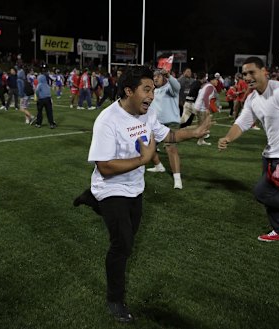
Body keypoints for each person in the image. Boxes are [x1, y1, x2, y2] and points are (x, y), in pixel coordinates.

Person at [73, 65, 210, 323]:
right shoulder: (107, 120)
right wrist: (142, 160)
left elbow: (167, 134)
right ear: (128, 91)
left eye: (153, 90)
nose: (151, 95)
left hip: (135, 188)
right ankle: (115, 299)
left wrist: (194, 132)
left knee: (129, 238)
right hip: (111, 187)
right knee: (122, 244)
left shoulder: (146, 115)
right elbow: (104, 166)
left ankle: (91, 198)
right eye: (146, 89)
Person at [218, 56, 279, 242]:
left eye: (251, 72)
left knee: (262, 192)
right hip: (271, 153)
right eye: (244, 74)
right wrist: (228, 137)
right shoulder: (253, 98)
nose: (247, 77)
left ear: (264, 72)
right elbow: (242, 122)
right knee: (271, 195)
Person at [145, 69, 183, 189]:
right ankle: (159, 166)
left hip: (170, 123)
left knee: (171, 148)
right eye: (154, 77)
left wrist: (169, 76)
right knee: (147, 146)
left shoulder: (170, 88)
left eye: (158, 76)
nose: (155, 78)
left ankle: (177, 179)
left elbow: (177, 86)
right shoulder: (153, 91)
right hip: (156, 124)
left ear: (164, 77)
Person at [194, 74, 219, 146]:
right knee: (205, 125)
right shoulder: (210, 87)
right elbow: (205, 97)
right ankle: (200, 140)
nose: (217, 81)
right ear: (212, 80)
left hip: (198, 107)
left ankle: (200, 139)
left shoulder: (206, 85)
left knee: (202, 125)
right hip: (201, 108)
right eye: (216, 79)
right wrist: (207, 108)